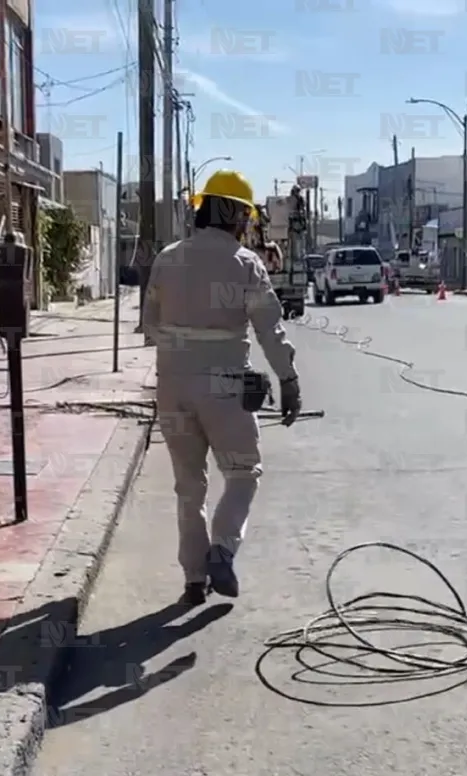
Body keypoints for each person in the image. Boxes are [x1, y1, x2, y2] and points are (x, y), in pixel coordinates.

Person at [142, 170, 302, 606]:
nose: (246, 225)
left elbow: (151, 326)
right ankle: (223, 550)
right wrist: (287, 380)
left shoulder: (167, 258)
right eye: (245, 216)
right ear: (234, 213)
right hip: (226, 385)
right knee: (243, 472)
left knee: (188, 486)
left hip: (173, 386)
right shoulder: (246, 263)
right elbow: (270, 329)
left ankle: (195, 579)